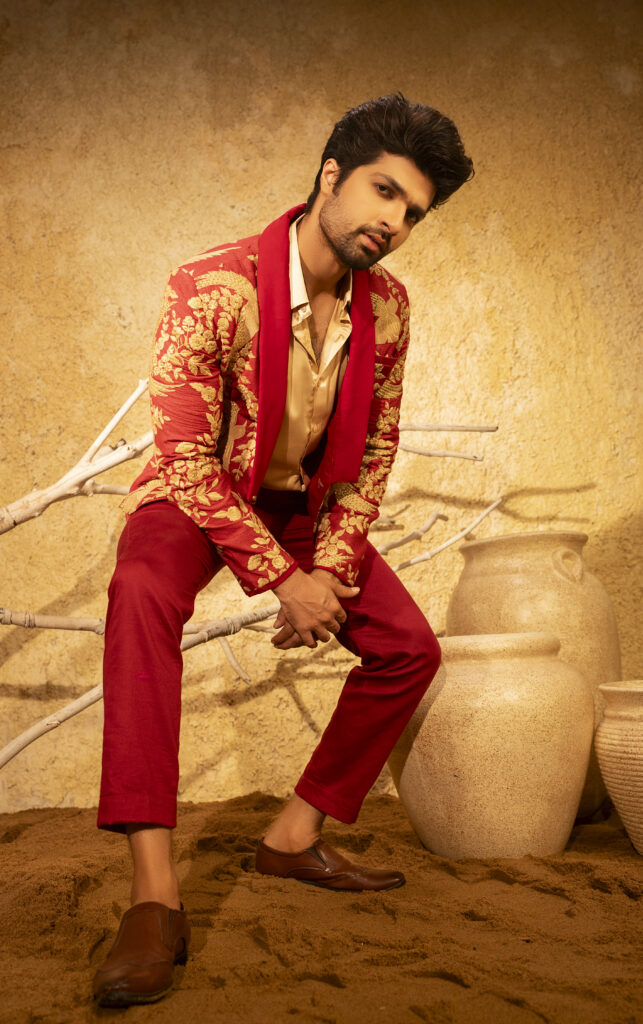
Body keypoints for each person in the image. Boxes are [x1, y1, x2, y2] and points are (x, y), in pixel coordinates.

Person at [92, 93, 474, 1007]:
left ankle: (293, 837)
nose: (393, 222)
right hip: (197, 493)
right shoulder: (211, 285)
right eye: (384, 191)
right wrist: (282, 582)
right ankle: (153, 894)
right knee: (139, 592)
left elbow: (373, 451)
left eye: (413, 213)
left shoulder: (389, 308)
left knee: (407, 648)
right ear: (330, 176)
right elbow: (184, 455)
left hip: (301, 501)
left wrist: (328, 570)